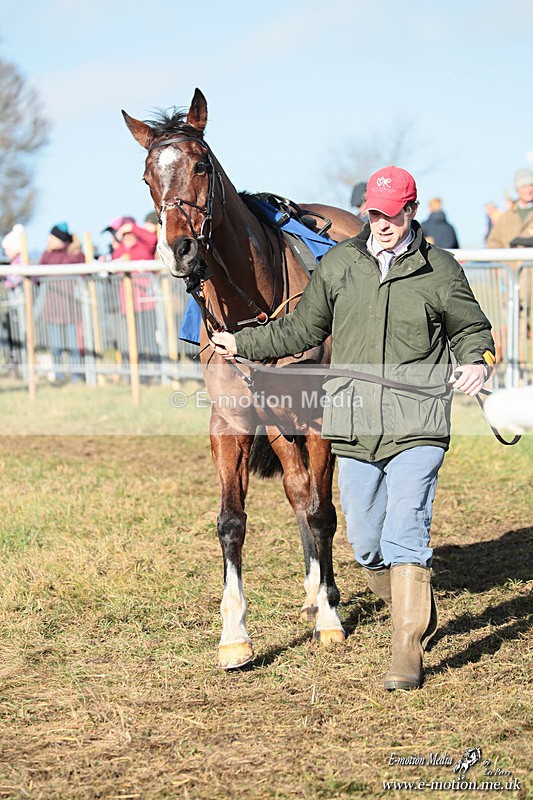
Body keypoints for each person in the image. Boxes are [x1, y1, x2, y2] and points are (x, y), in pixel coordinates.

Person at [211, 165, 495, 692]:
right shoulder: (340, 264)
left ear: (411, 211)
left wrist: (476, 359)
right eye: (374, 213)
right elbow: (303, 328)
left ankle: (406, 652)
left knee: (405, 532)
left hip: (417, 421)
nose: (382, 223)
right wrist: (241, 345)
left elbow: (471, 325)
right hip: (357, 422)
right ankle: (417, 609)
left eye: (392, 214)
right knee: (366, 542)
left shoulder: (440, 270)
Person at [38, 222, 86, 383]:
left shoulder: (74, 254)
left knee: (74, 345)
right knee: (56, 346)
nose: (48, 239)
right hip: (52, 308)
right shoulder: (47, 255)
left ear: (58, 238)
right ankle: (58, 375)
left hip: (71, 308)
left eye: (51, 236)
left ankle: (76, 375)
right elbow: (36, 278)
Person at [487, 168, 533, 249]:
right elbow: (493, 242)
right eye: (524, 186)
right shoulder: (505, 218)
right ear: (517, 189)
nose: (529, 190)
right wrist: (505, 259)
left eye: (531, 185)